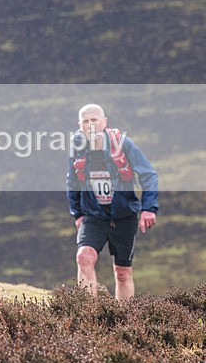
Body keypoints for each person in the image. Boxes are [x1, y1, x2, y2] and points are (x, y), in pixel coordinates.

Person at [66, 103, 158, 300]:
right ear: (79, 125)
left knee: (122, 273)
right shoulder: (77, 146)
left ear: (104, 122)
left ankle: (122, 321)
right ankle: (88, 317)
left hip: (124, 215)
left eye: (94, 120)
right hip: (93, 215)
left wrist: (149, 209)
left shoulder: (123, 144)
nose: (90, 125)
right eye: (85, 121)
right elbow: (72, 180)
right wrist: (78, 213)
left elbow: (149, 175)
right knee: (84, 257)